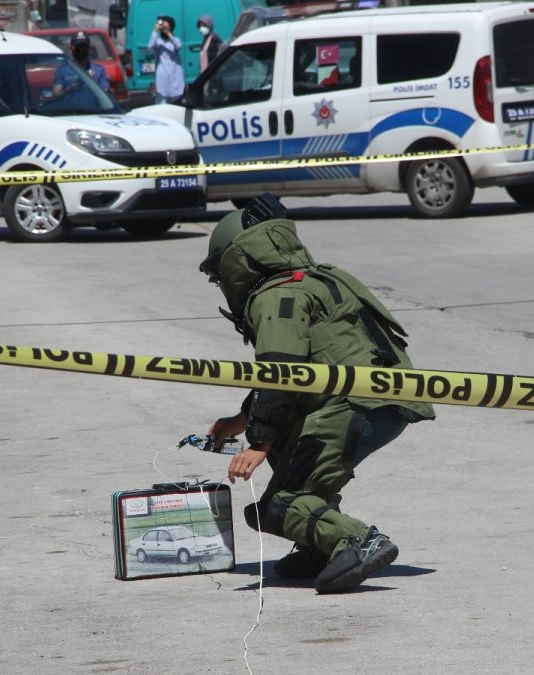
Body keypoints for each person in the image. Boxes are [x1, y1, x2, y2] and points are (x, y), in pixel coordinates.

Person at [200, 194, 434, 594]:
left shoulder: (276, 296)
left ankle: (357, 540)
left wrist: (258, 442)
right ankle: (318, 547)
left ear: (238, 261)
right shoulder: (316, 278)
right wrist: (242, 421)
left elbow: (281, 372)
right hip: (380, 401)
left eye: (219, 272)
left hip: (357, 407)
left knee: (279, 504)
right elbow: (292, 370)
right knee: (289, 454)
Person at [53, 31, 111, 100]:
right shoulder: (62, 70)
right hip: (70, 109)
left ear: (90, 49)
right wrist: (70, 89)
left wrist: (94, 83)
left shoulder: (99, 70)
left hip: (94, 110)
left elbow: (107, 94)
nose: (81, 51)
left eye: (84, 48)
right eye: (78, 48)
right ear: (71, 49)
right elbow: (56, 95)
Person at [148, 15, 183, 103]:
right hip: (162, 78)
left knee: (175, 106)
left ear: (170, 26)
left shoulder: (175, 39)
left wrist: (168, 33)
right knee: (161, 106)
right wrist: (155, 30)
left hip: (175, 77)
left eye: (165, 23)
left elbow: (179, 46)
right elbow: (150, 47)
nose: (162, 25)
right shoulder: (158, 41)